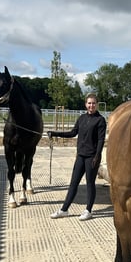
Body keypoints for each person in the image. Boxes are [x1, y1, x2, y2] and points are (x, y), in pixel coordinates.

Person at [47, 93, 107, 221]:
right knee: (73, 183)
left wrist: (97, 156)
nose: (91, 105)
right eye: (89, 103)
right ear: (86, 104)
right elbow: (72, 133)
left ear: (97, 104)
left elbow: (101, 140)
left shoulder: (100, 120)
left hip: (92, 157)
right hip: (80, 156)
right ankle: (64, 209)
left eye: (93, 103)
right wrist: (55, 133)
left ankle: (88, 210)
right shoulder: (81, 118)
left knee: (90, 183)